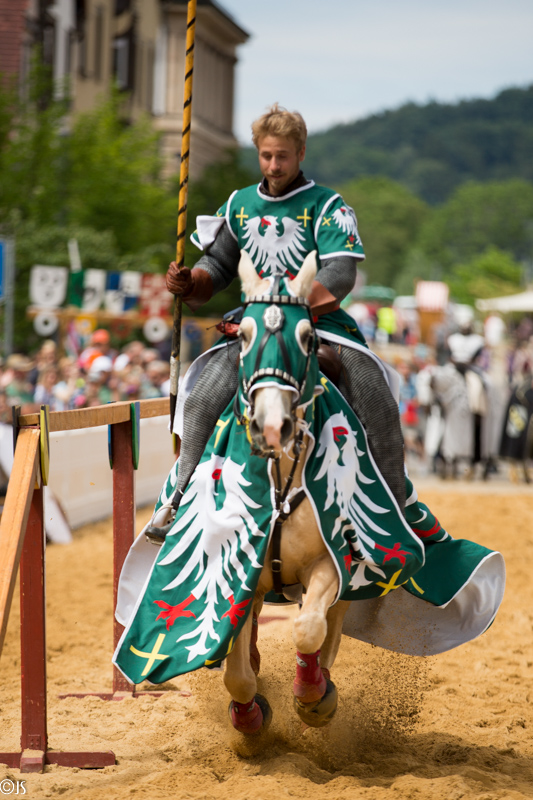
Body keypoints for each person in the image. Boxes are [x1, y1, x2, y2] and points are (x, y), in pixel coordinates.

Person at [155, 103, 407, 536]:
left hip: (316, 321)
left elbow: (341, 271)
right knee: (200, 396)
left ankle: (395, 510)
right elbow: (217, 266)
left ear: (301, 152)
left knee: (373, 390)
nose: (274, 165)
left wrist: (294, 306)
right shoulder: (239, 205)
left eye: (283, 156)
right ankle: (179, 498)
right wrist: (191, 281)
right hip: (253, 325)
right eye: (266, 155)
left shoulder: (328, 205)